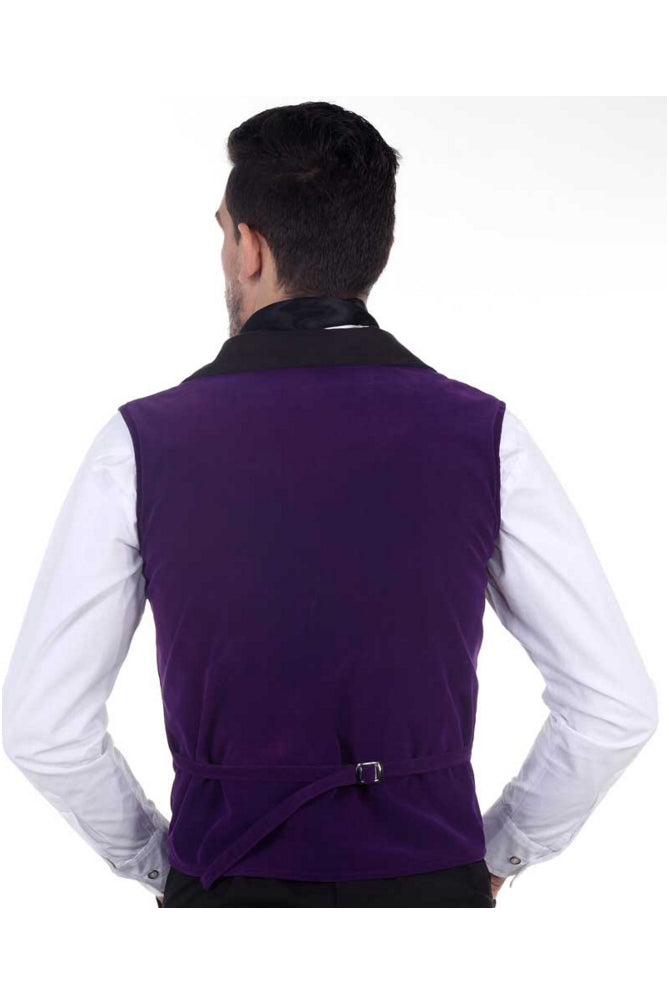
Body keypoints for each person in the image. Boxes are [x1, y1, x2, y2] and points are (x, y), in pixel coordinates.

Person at [2, 101, 658, 909]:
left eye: (222, 234)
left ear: (248, 247)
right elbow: (613, 708)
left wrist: (151, 858)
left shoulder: (139, 443)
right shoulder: (486, 436)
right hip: (431, 896)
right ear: (378, 248)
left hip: (224, 890)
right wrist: (500, 848)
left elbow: (43, 727)